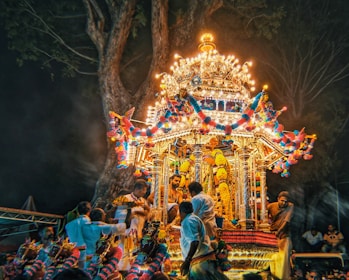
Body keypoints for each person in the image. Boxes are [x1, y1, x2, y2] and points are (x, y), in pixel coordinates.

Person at [179, 201, 228, 280]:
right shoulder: (194, 218)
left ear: (181, 211)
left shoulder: (188, 221)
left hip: (200, 263)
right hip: (202, 261)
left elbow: (194, 241)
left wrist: (187, 261)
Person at [267, 191, 294, 280]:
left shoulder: (290, 206)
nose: (284, 203)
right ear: (278, 199)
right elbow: (264, 215)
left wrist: (278, 232)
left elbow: (286, 221)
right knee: (273, 260)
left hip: (283, 236)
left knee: (283, 261)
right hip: (272, 235)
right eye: (282, 201)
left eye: (286, 201)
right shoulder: (271, 206)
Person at [65, 201, 92, 269]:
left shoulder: (68, 225)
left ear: (78, 211)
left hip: (73, 255)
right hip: (87, 255)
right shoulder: (90, 224)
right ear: (89, 211)